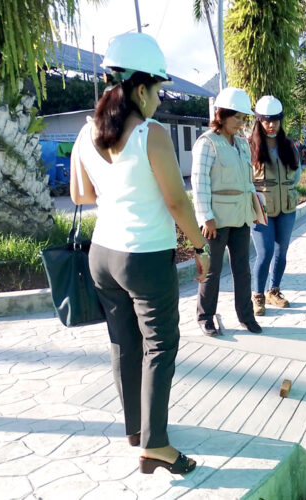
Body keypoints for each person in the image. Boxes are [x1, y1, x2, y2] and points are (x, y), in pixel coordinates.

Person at [69, 33, 210, 475]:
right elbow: (176, 202)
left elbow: (79, 193)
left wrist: (117, 194)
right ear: (140, 88)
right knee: (161, 345)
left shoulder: (86, 132)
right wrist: (200, 248)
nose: (159, 98)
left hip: (102, 255)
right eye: (158, 90)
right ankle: (157, 446)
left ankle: (136, 429)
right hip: (144, 257)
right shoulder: (151, 134)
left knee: (123, 344)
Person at [191, 87, 262, 336]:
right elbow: (199, 183)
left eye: (244, 118)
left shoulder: (242, 144)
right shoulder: (207, 143)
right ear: (221, 114)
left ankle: (246, 315)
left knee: (242, 269)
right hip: (217, 220)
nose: (241, 123)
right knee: (212, 271)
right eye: (236, 117)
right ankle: (205, 316)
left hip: (241, 217)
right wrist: (205, 218)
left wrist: (254, 209)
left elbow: (247, 181)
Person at [249, 96, 301, 316]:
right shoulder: (249, 147)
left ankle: (274, 291)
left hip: (286, 208)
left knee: (282, 252)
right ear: (259, 121)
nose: (271, 125)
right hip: (261, 209)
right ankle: (257, 295)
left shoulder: (289, 145)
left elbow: (297, 175)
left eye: (275, 120)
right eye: (266, 120)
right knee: (265, 252)